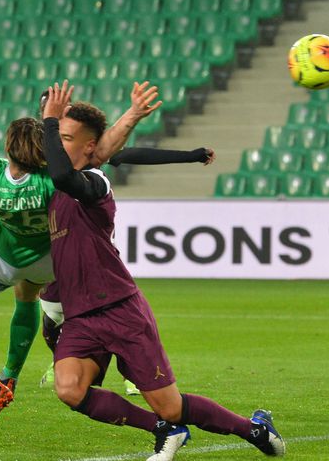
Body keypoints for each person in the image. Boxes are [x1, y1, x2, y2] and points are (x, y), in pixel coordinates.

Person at [0, 27, 160, 436]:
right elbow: (99, 152)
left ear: (8, 148)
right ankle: (13, 372)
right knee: (28, 295)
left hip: (0, 255)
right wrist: (131, 115)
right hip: (50, 262)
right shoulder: (56, 180)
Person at [41, 82, 284, 461]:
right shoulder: (57, 191)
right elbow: (88, 161)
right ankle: (162, 430)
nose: (58, 142)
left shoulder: (94, 184)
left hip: (120, 310)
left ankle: (253, 428)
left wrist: (50, 122)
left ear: (89, 147)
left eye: (67, 137)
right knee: (70, 389)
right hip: (81, 317)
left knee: (170, 404)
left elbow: (68, 171)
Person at [36, 145, 216, 390]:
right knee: (50, 318)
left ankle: (133, 373)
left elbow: (132, 154)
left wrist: (189, 155)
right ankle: (59, 358)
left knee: (118, 316)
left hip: (99, 257)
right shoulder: (49, 164)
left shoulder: (89, 163)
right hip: (59, 255)